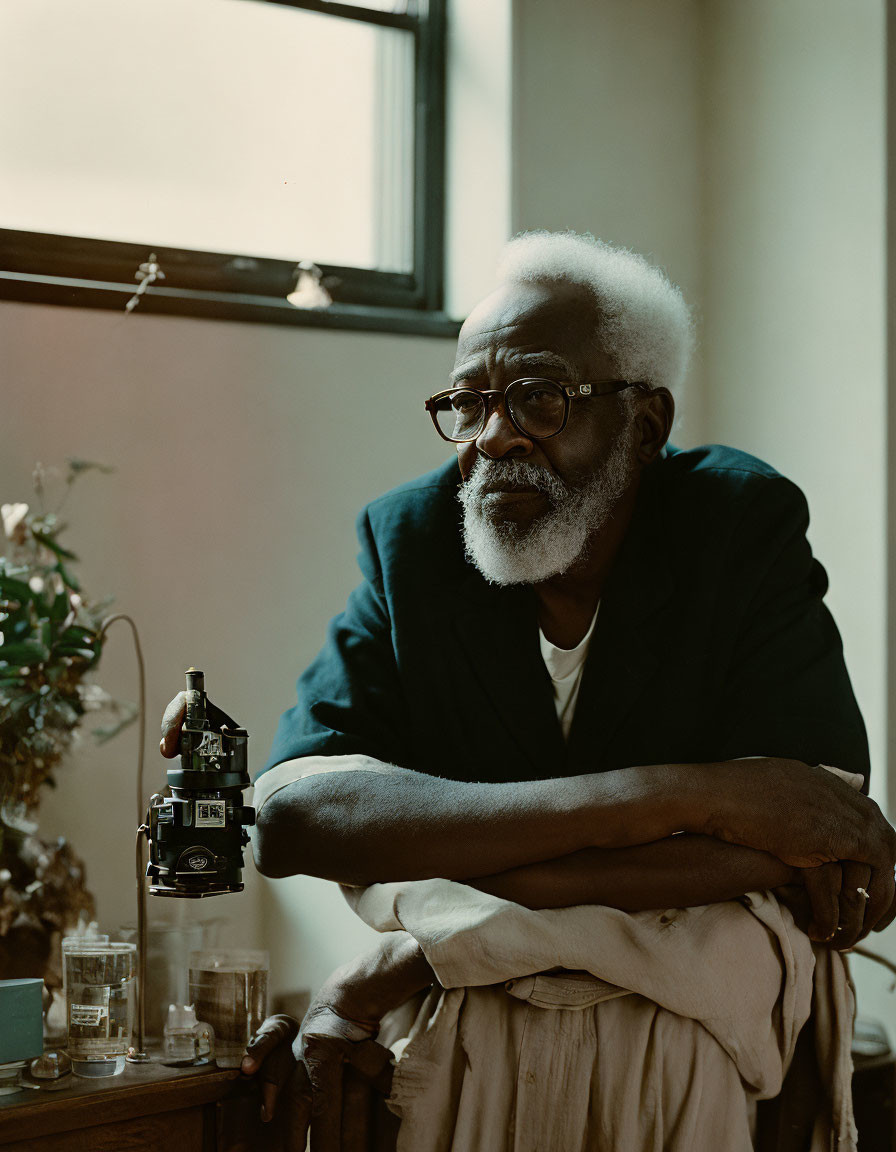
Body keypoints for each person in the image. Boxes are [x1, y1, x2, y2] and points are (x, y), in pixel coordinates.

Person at [162, 232, 896, 1151]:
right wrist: (687, 797)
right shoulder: (415, 537)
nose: (493, 436)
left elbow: (816, 829)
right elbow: (296, 818)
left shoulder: (737, 521)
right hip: (514, 1002)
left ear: (647, 422)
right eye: (468, 404)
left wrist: (439, 904)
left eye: (540, 398)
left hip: (674, 1028)